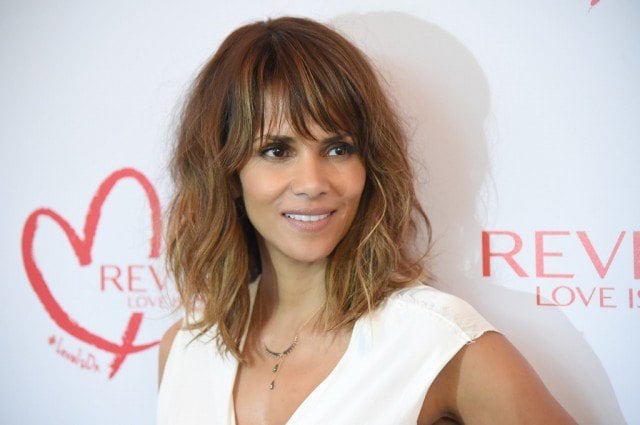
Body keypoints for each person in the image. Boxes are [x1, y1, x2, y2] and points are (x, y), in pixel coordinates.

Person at [157, 16, 575, 424]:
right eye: (276, 151)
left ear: (370, 166)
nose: (312, 183)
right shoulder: (184, 347)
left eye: (339, 149)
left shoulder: (437, 341)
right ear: (227, 173)